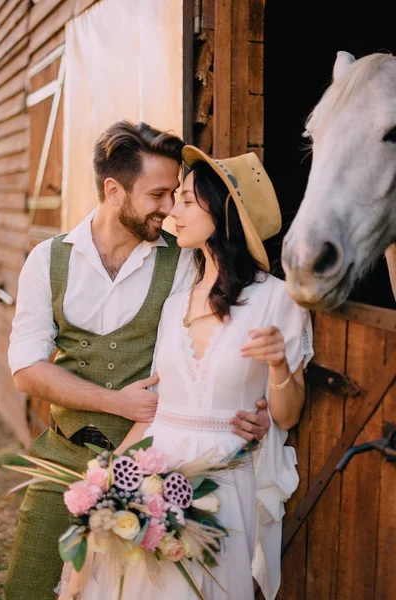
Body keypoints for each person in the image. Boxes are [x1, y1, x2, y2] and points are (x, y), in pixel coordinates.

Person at [5, 121, 271, 600]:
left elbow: (227, 336)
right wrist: (116, 402)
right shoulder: (47, 260)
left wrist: (259, 404)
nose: (169, 209)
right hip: (62, 456)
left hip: (149, 468)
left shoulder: (184, 261)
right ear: (113, 189)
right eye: (158, 194)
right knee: (28, 587)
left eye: (176, 195)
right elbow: (26, 369)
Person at [61, 146, 313, 600]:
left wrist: (277, 363)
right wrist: (106, 474)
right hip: (153, 475)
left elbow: (288, 415)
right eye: (175, 197)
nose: (172, 211)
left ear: (224, 215)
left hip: (222, 484)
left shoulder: (278, 300)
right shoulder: (176, 302)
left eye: (187, 201)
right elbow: (159, 408)